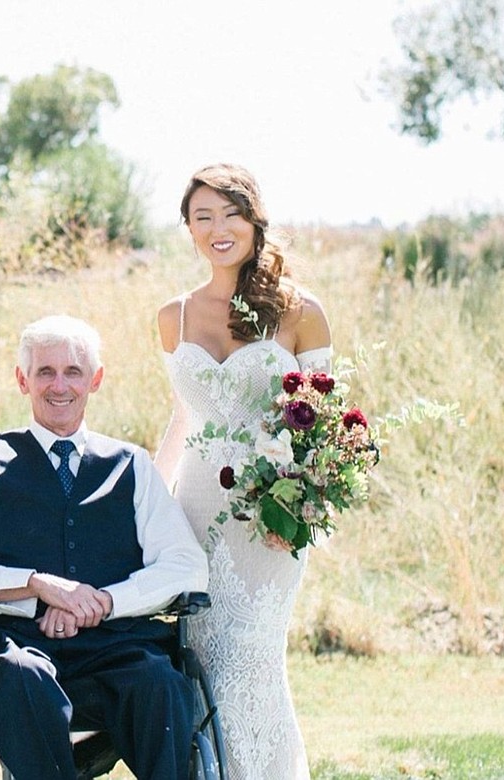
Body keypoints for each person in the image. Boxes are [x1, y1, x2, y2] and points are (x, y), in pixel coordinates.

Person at [0, 315, 208, 780]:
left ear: (95, 380)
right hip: (20, 648)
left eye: (72, 372)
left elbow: (187, 567)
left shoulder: (132, 466)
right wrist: (35, 588)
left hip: (117, 648)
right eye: (44, 372)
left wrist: (103, 603)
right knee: (21, 676)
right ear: (21, 381)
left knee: (160, 683)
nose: (59, 385)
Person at [155, 163, 333, 780]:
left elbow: (322, 428)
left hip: (270, 514)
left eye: (230, 213)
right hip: (196, 511)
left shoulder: (300, 311)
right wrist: (148, 497)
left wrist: (300, 507)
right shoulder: (172, 317)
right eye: (202, 217)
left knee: (252, 655)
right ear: (189, 230)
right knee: (201, 657)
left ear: (254, 219)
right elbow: (184, 419)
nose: (218, 228)